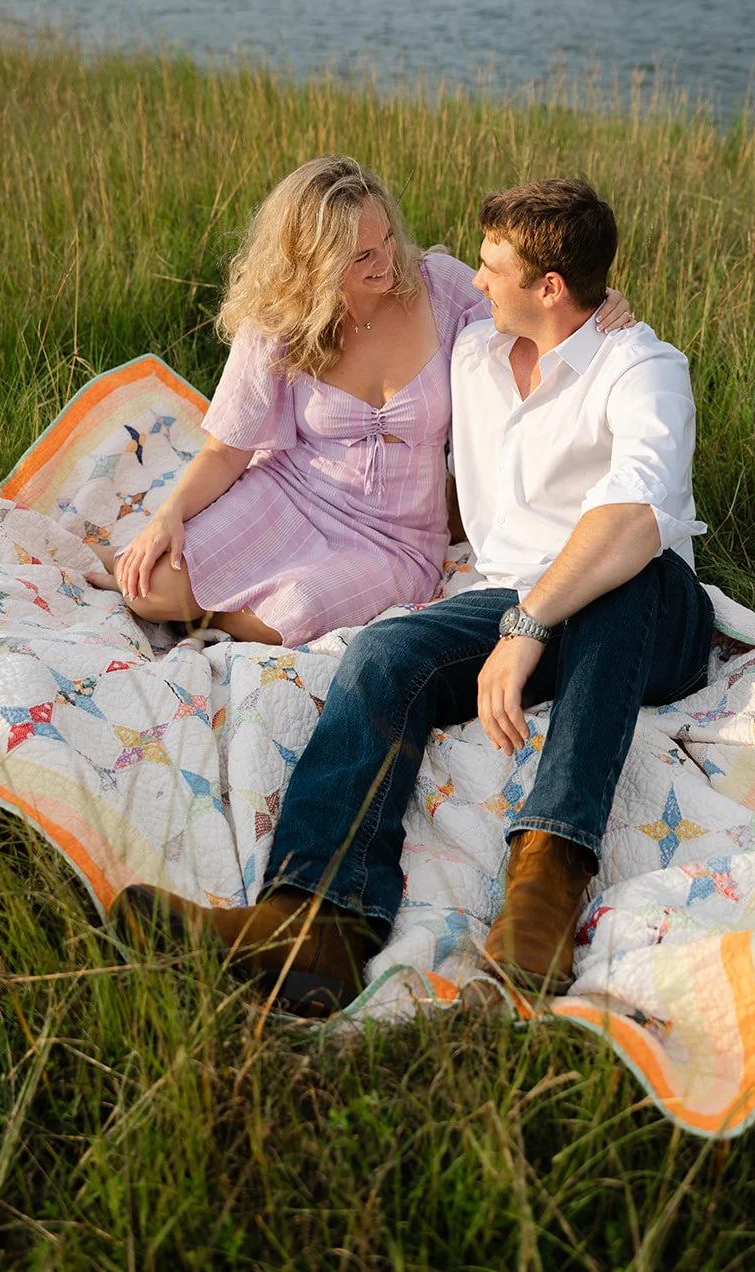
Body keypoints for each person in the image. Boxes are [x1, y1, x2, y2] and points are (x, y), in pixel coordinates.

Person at [112, 178, 713, 1016]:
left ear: (547, 288)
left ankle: (544, 888)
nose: (471, 280)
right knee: (385, 651)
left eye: (491, 267)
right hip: (512, 597)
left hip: (651, 618)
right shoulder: (471, 356)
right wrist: (517, 617)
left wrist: (530, 624)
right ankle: (314, 920)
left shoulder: (642, 366)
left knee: (621, 570)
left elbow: (635, 516)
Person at [99, 154, 632, 645]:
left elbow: (539, 303)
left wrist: (599, 298)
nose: (386, 262)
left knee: (298, 613)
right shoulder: (279, 320)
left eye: (387, 241)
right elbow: (227, 450)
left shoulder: (440, 290)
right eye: (361, 256)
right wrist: (169, 515)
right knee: (147, 589)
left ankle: (214, 617)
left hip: (393, 539)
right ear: (313, 262)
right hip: (291, 490)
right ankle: (205, 595)